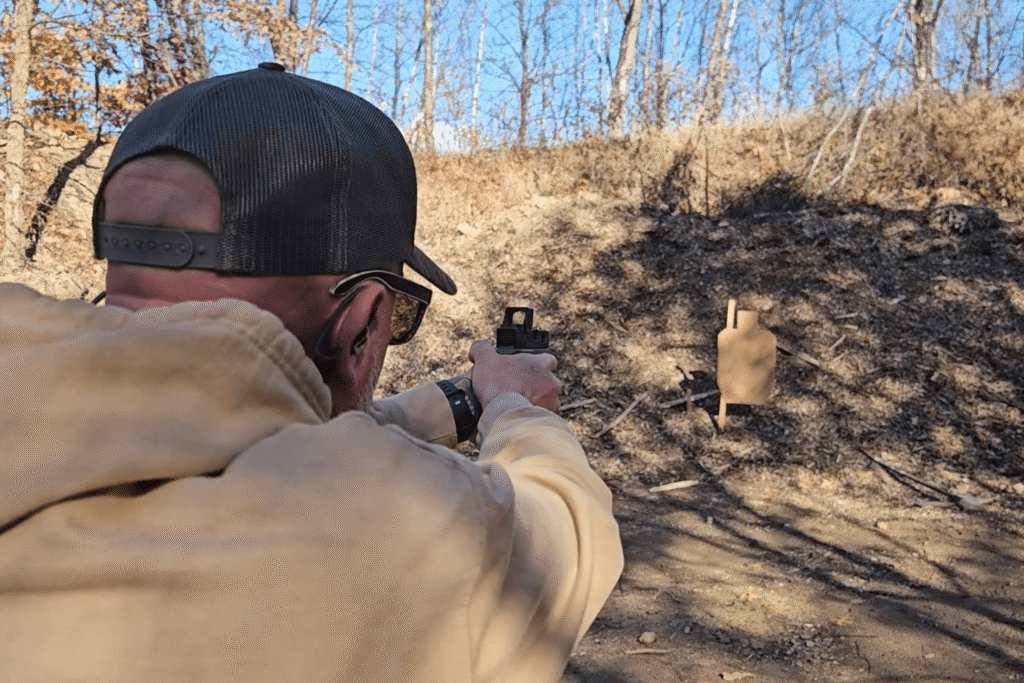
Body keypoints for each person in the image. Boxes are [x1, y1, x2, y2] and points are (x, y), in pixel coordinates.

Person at [0, 63, 622, 683]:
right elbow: (570, 536)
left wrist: (464, 401)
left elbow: (251, 426)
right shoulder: (381, 526)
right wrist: (522, 410)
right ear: (363, 321)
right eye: (394, 317)